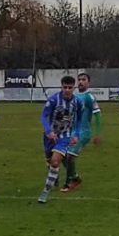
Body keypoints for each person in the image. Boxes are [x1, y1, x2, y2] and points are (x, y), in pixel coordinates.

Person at [38, 75, 82, 204]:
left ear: (74, 88)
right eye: (65, 87)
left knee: (55, 161)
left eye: (70, 87)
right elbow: (43, 116)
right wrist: (48, 131)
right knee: (50, 161)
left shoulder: (78, 102)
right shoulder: (53, 100)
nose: (67, 90)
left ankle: (45, 192)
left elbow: (79, 119)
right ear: (61, 87)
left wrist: (76, 134)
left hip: (65, 136)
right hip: (49, 136)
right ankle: (59, 176)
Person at [61, 72, 101, 192]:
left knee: (70, 156)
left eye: (83, 80)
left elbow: (98, 115)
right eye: (79, 79)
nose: (81, 82)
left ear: (88, 83)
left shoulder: (89, 97)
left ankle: (68, 183)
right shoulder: (74, 96)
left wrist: (97, 133)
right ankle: (76, 177)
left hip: (84, 132)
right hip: (72, 131)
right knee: (62, 154)